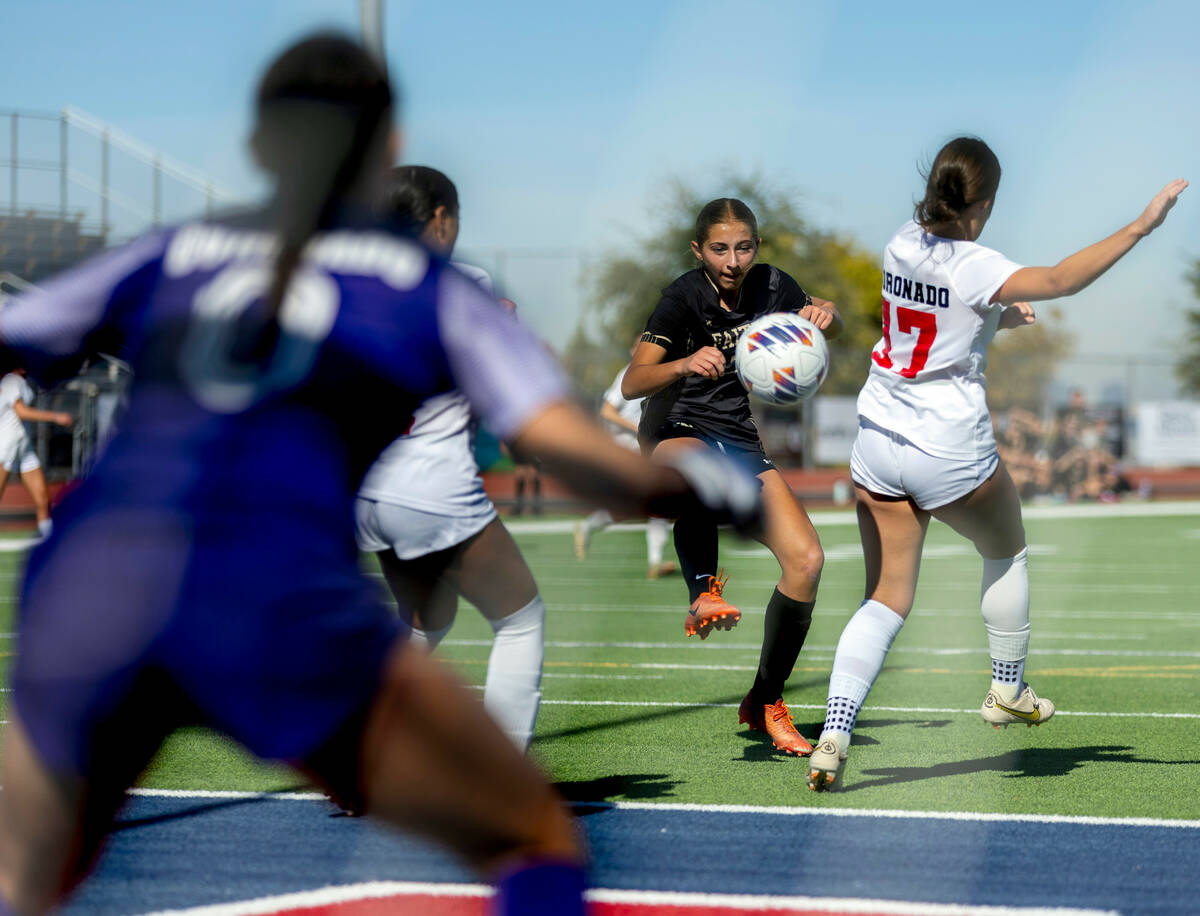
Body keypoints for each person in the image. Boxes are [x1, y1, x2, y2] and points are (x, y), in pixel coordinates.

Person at [0, 34, 764, 914]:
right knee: (536, 838)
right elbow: (563, 446)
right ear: (389, 150)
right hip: (266, 593)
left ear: (257, 146)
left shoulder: (174, 249)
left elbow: (26, 329)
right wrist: (708, 488)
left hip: (89, 586)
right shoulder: (431, 285)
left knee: (28, 880)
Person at [807, 136, 1186, 791]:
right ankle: (1007, 688)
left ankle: (835, 733)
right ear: (981, 203)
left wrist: (994, 321)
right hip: (945, 444)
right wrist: (1141, 225)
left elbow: (927, 317)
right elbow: (1063, 279)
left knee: (885, 597)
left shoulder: (901, 240)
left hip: (877, 437)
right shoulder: (977, 263)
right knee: (1006, 549)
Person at [622, 197, 843, 757]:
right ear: (699, 251)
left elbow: (824, 318)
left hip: (738, 434)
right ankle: (703, 591)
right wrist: (682, 363)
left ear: (757, 248)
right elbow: (632, 381)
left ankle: (766, 698)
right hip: (677, 426)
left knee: (807, 561)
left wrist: (826, 315)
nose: (732, 259)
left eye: (743, 247)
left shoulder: (772, 287)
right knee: (697, 471)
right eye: (719, 249)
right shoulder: (682, 298)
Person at [354, 164, 547, 751]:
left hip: (365, 488)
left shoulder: (344, 281)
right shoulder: (462, 281)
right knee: (520, 620)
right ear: (439, 220)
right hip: (431, 482)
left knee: (425, 619)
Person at [573, 343, 678, 579]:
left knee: (649, 506)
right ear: (634, 350)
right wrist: (638, 428)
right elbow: (607, 412)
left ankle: (654, 561)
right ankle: (654, 561)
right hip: (627, 449)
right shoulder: (627, 375)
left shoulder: (657, 375)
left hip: (644, 448)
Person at [0, 368, 73, 539]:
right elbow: (21, 412)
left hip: (24, 447)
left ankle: (47, 537)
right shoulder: (12, 380)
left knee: (42, 499)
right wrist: (55, 417)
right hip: (5, 447)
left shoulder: (23, 382)